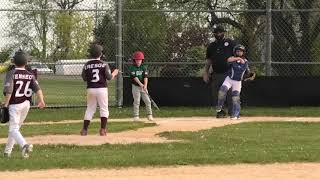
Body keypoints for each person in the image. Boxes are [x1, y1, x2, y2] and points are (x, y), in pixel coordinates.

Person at [3, 50, 45, 158]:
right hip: (26, 104)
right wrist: (41, 100)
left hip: (14, 105)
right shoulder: (30, 75)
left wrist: (5, 104)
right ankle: (7, 152)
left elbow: (9, 91)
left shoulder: (11, 73)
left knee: (13, 129)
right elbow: (38, 89)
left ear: (13, 61)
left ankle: (24, 145)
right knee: (15, 129)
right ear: (26, 62)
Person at [80, 44, 119, 136]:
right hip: (102, 88)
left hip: (91, 89)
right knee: (104, 108)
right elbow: (109, 78)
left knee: (90, 108)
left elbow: (84, 78)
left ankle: (84, 130)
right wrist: (114, 73)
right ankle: (102, 130)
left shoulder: (86, 65)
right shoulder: (104, 64)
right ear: (100, 54)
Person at [203, 25, 237, 118]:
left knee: (230, 93)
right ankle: (220, 112)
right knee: (217, 94)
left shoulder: (230, 43)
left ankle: (232, 112)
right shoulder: (211, 46)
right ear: (214, 34)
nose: (218, 34)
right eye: (216, 33)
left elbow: (238, 56)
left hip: (229, 72)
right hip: (216, 73)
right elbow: (208, 60)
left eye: (220, 32)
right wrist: (205, 72)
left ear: (224, 33)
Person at [216, 44, 251, 120]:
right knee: (222, 90)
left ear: (243, 52)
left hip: (237, 82)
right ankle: (219, 106)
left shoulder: (245, 61)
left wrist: (249, 76)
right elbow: (228, 60)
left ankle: (236, 114)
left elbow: (247, 72)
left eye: (240, 51)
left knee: (235, 97)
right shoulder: (233, 59)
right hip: (229, 79)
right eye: (237, 51)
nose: (239, 53)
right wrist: (237, 58)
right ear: (235, 52)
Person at [128, 51, 153, 121]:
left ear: (142, 60)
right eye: (137, 60)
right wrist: (140, 84)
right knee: (137, 101)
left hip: (143, 86)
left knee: (148, 101)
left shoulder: (144, 67)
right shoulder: (132, 68)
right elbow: (135, 77)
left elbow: (145, 77)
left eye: (140, 60)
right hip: (136, 86)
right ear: (134, 60)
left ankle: (149, 115)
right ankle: (136, 116)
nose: (138, 61)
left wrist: (145, 85)